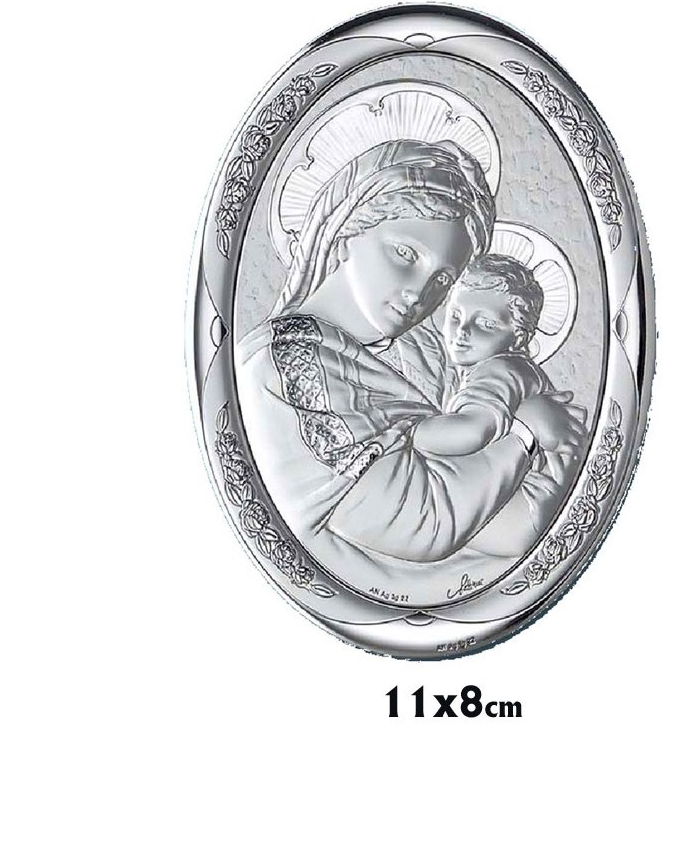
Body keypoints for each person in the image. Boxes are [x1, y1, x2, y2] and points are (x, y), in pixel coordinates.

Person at [236, 137, 585, 602]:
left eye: (442, 279)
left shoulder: (363, 368)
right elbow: (427, 522)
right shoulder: (289, 364)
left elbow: (487, 513)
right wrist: (526, 433)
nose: (420, 294)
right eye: (405, 254)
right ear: (346, 232)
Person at [413, 253, 560, 457]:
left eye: (485, 324)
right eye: (456, 315)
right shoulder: (480, 368)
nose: (462, 330)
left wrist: (405, 433)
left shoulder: (503, 368)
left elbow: (472, 432)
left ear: (518, 338)